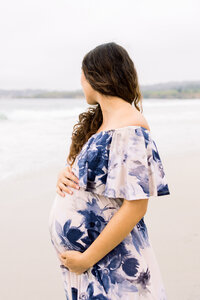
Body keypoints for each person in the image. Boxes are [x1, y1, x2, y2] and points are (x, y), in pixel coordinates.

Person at [48, 42, 170, 300]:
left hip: (111, 264)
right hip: (94, 267)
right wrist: (64, 174)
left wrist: (86, 259)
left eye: (83, 74)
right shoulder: (100, 125)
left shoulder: (130, 129)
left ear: (97, 76)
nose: (81, 81)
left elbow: (136, 206)